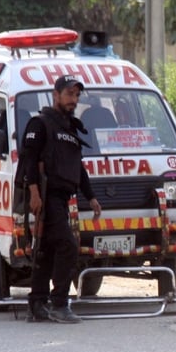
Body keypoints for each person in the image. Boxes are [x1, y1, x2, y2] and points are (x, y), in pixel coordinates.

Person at [19, 75, 102, 324]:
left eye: (76, 96)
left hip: (63, 197)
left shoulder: (70, 127)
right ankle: (58, 305)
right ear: (55, 95)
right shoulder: (40, 123)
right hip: (46, 195)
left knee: (47, 250)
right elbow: (29, 161)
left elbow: (78, 167)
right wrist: (34, 192)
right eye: (69, 94)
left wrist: (92, 197)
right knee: (67, 245)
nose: (73, 100)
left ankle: (37, 304)